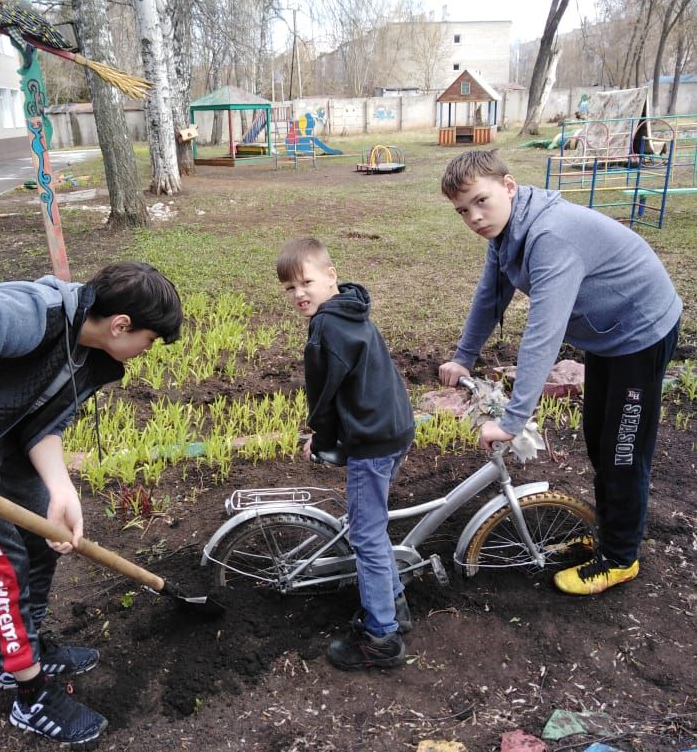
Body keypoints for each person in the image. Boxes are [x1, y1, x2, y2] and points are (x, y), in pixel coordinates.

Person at [0, 262, 182, 747]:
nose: (146, 352)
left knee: (46, 538)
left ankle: (23, 648)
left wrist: (61, 490)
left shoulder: (88, 353)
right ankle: (30, 694)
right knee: (4, 568)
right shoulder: (28, 313)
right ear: (121, 324)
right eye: (149, 340)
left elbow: (44, 424)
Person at [438, 149, 681, 596]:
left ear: (509, 186)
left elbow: (543, 334)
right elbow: (490, 296)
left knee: (623, 450)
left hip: (642, 331)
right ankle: (610, 535)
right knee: (598, 437)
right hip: (609, 336)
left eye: (481, 201)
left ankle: (621, 558)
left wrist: (512, 420)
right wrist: (464, 356)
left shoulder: (551, 237)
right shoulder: (507, 233)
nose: (473, 217)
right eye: (462, 211)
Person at [276, 238, 414, 670]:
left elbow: (322, 395)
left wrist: (318, 437)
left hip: (371, 442)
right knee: (372, 526)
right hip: (395, 428)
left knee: (365, 535)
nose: (299, 294)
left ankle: (381, 637)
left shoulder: (327, 328)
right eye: (289, 288)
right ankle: (394, 603)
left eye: (306, 282)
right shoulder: (352, 309)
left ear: (330, 276)